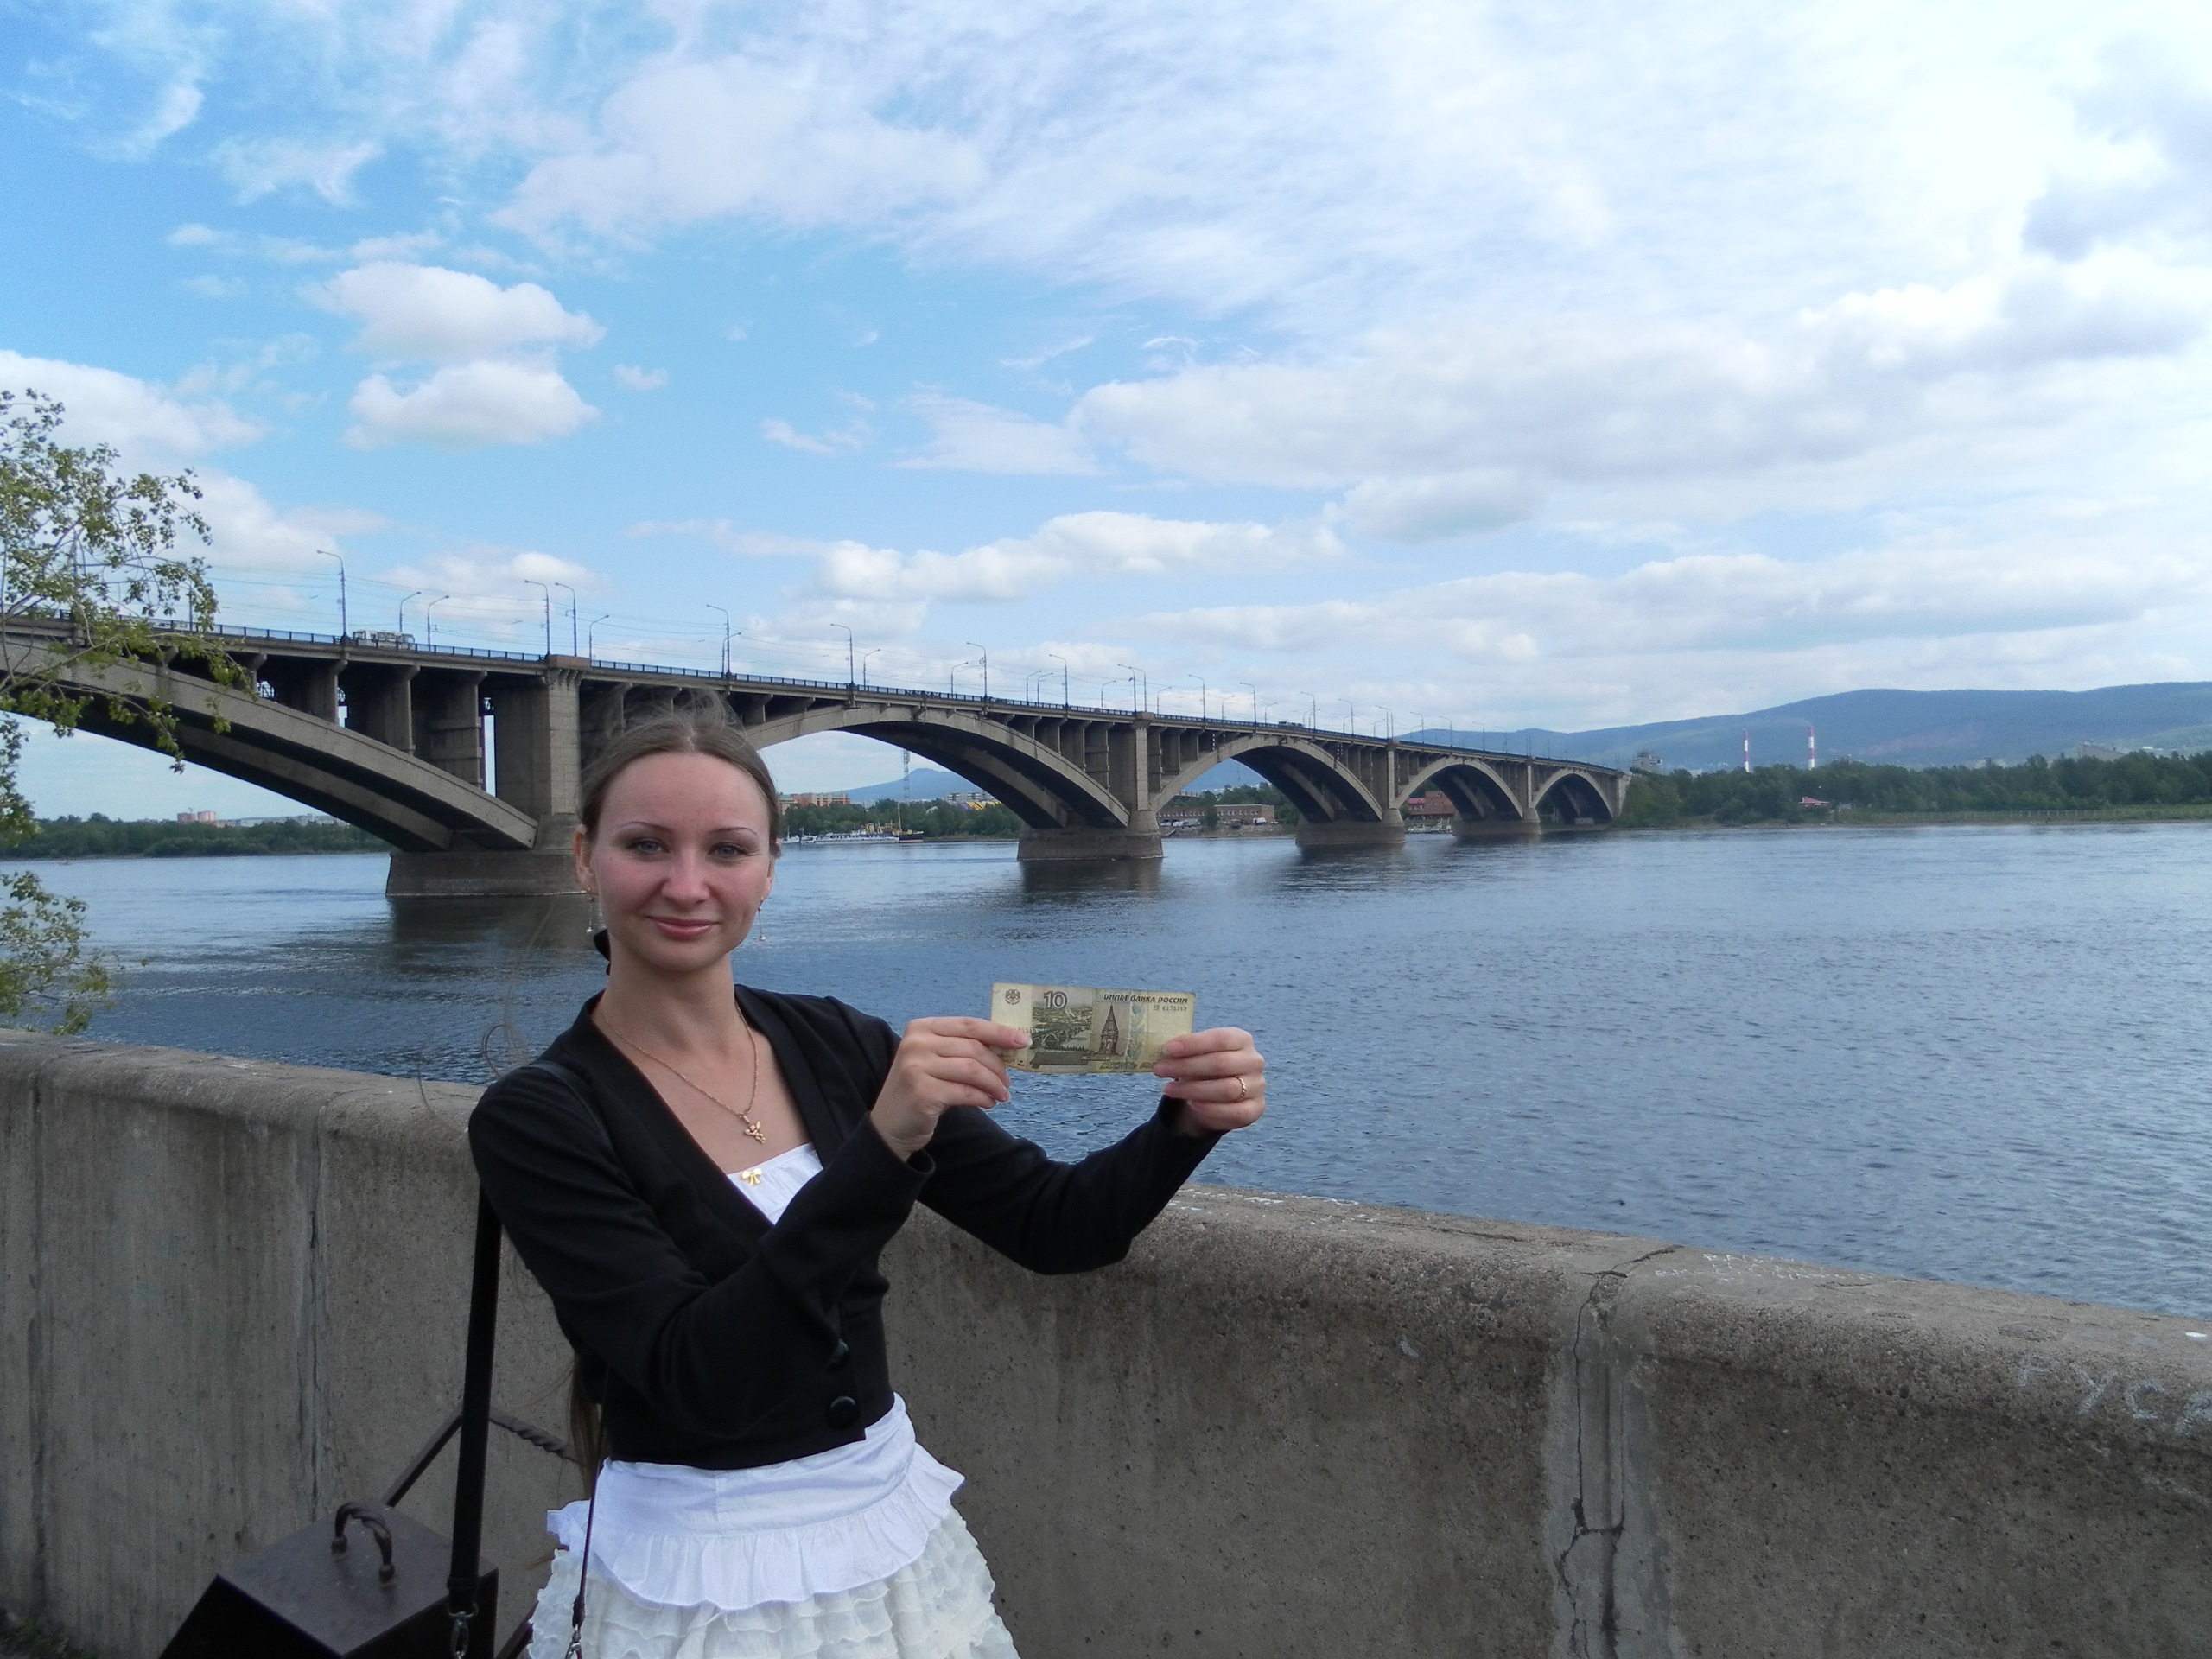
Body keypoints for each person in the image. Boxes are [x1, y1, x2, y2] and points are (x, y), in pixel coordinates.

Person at [468, 708, 1266, 1658]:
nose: (687, 884)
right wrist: (881, 1151)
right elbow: (699, 1380)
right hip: (700, 1577)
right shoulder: (539, 1117)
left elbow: (1057, 1228)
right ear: (584, 859)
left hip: (890, 1542)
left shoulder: (838, 1042)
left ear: (769, 869)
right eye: (647, 845)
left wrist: (1184, 1124)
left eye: (727, 849)